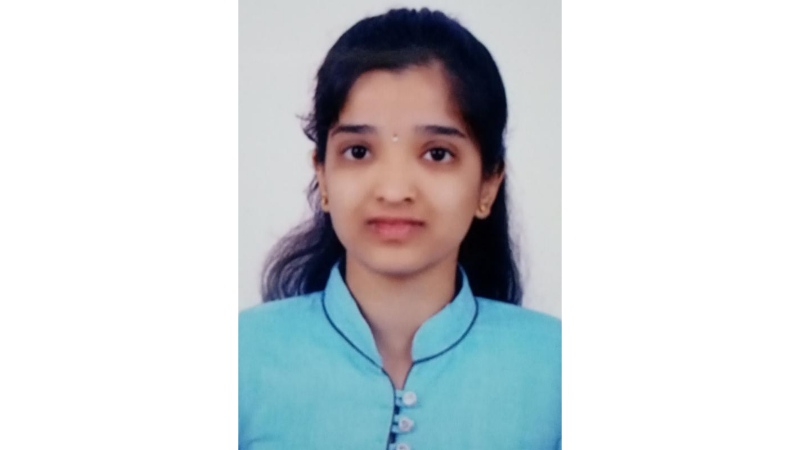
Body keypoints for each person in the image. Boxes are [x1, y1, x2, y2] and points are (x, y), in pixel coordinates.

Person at [239, 8, 561, 450]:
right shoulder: (241, 358)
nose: (393, 191)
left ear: (488, 184)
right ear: (323, 176)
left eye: (437, 154)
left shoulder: (558, 369)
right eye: (358, 151)